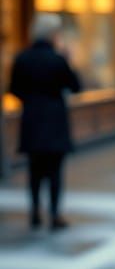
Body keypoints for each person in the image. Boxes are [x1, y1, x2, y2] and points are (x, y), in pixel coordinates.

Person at [8, 13, 81, 230]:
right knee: (55, 170)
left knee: (35, 169)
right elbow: (76, 86)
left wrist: (31, 100)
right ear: (52, 34)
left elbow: (13, 89)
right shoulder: (58, 60)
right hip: (55, 119)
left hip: (32, 118)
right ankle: (55, 214)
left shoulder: (22, 58)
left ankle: (35, 211)